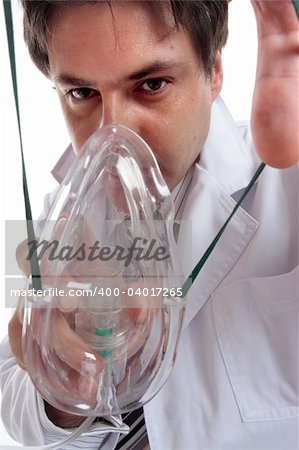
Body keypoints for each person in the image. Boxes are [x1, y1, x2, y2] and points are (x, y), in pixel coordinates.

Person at [1, 0, 298, 449]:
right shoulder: (54, 212)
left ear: (214, 69)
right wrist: (61, 385)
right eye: (82, 93)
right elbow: (12, 394)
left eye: (151, 84)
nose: (114, 131)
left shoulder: (287, 182)